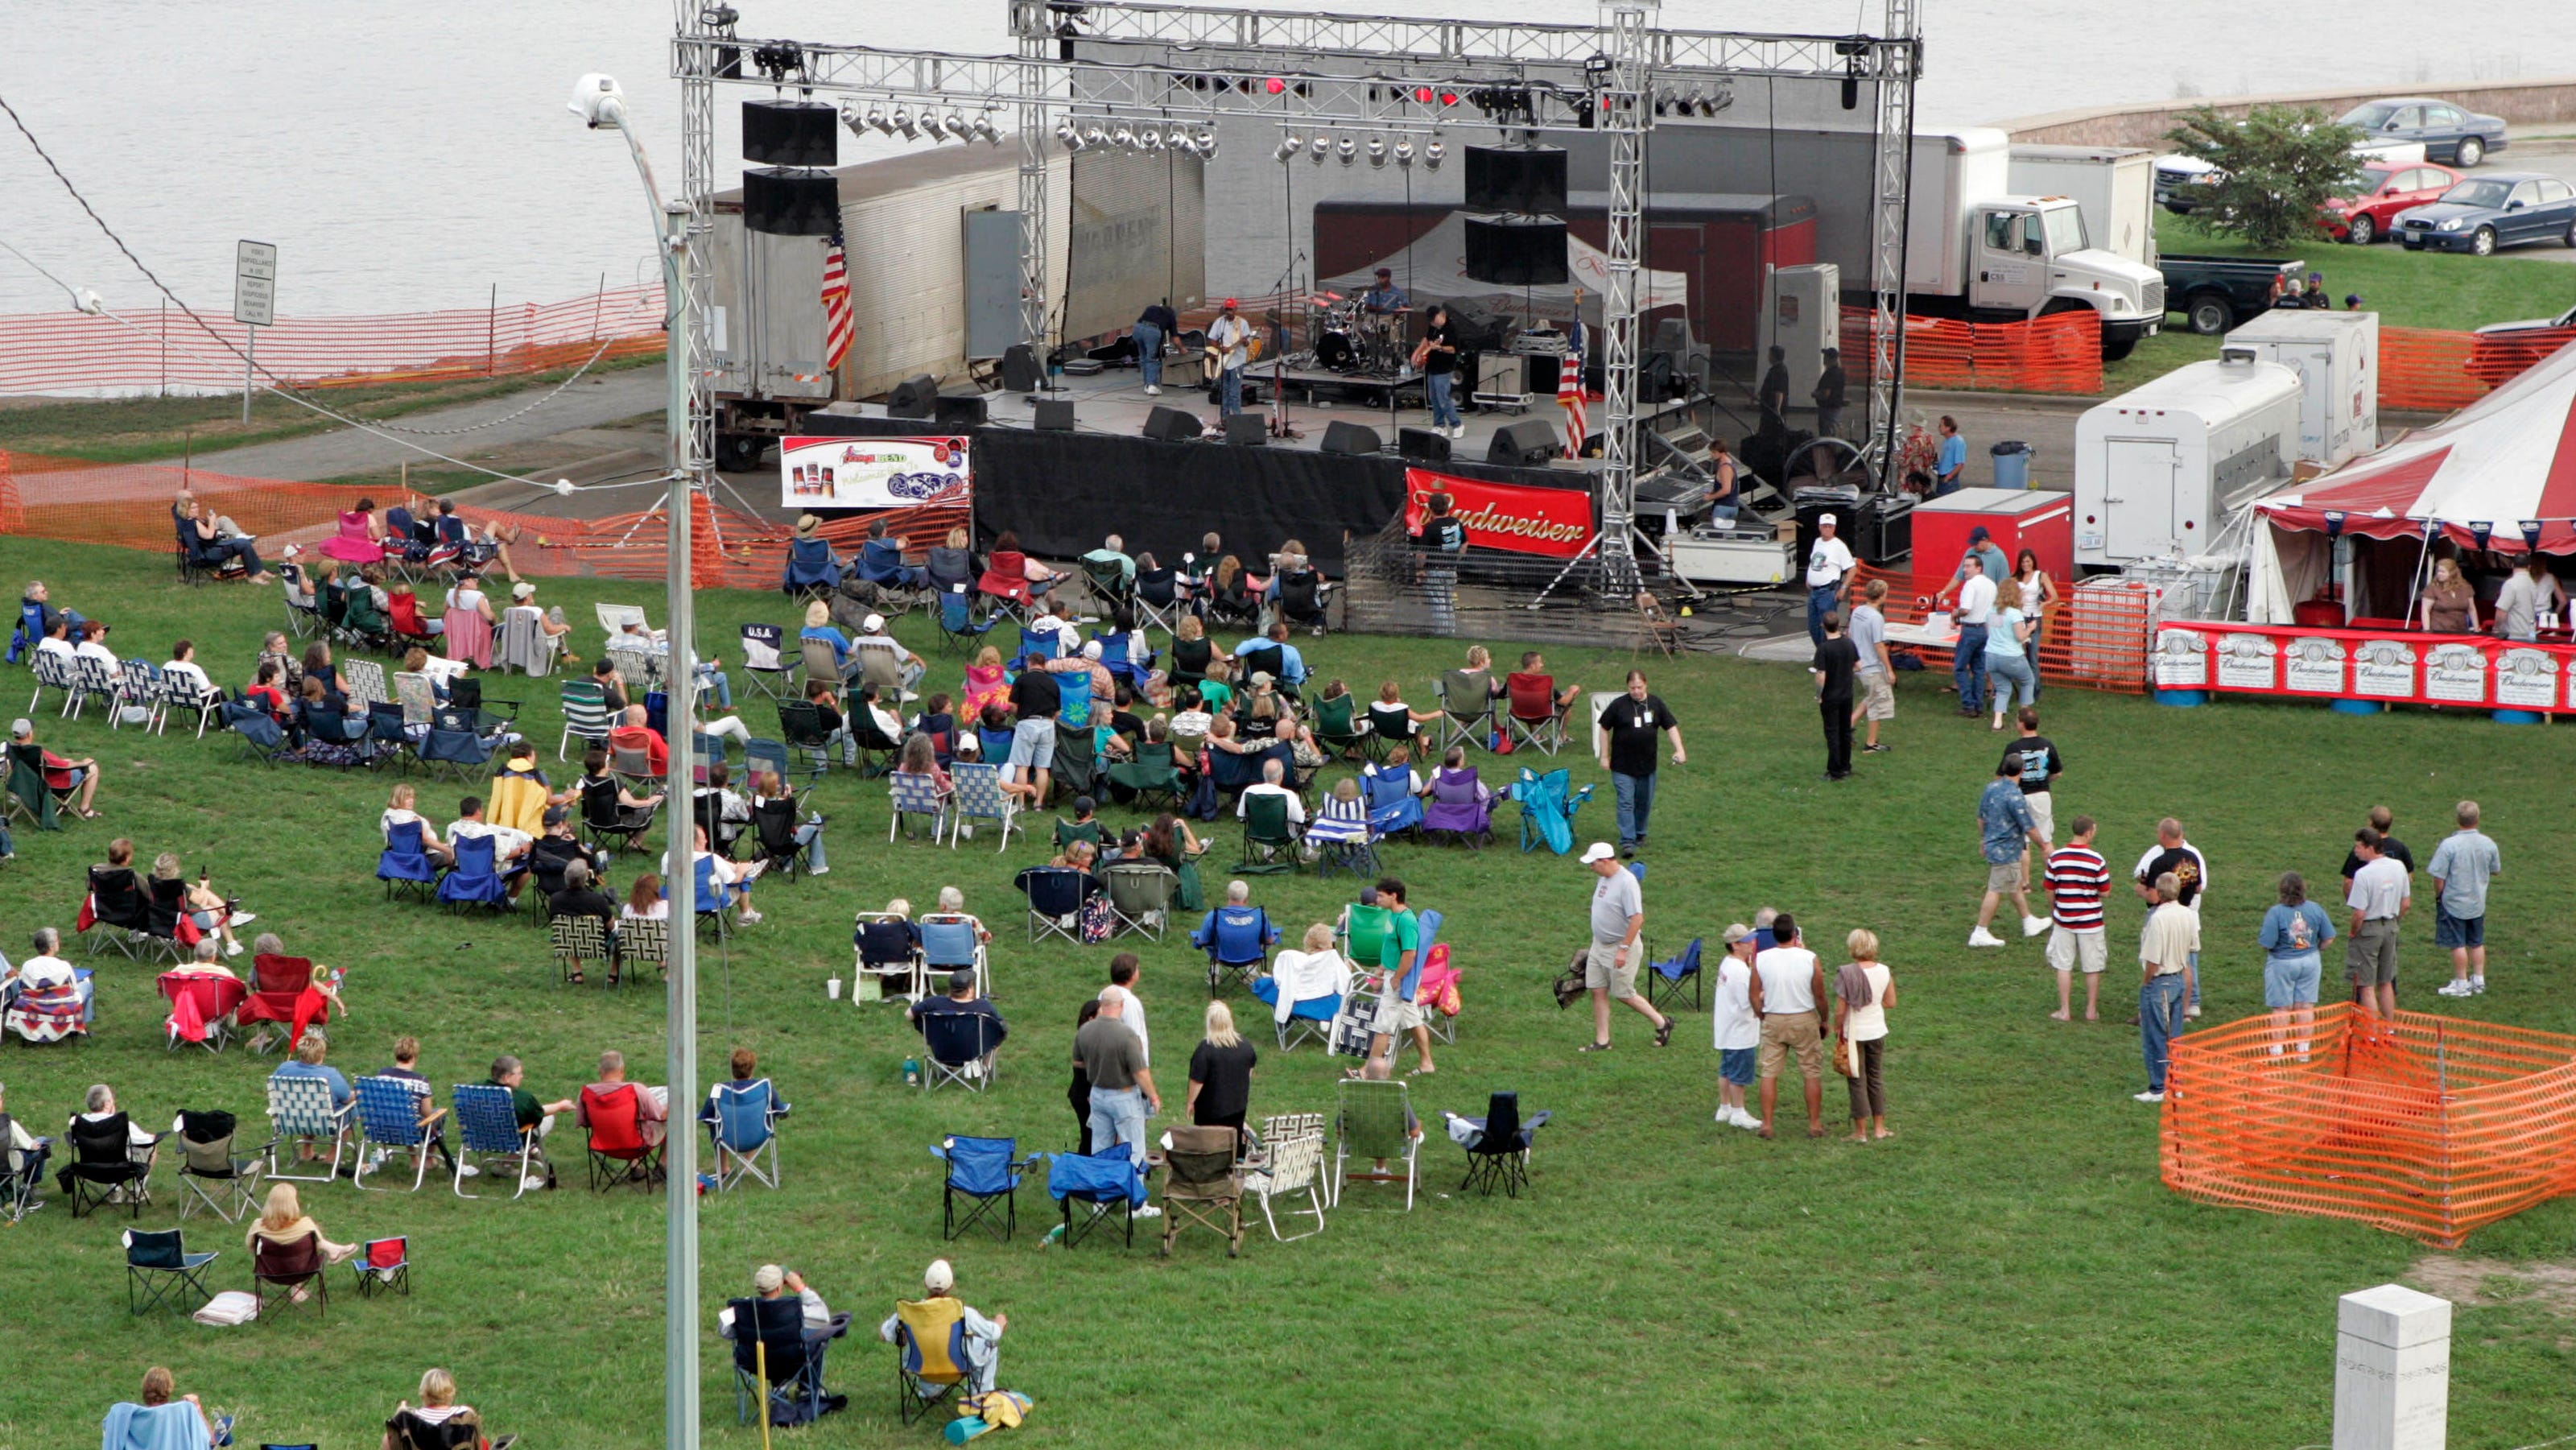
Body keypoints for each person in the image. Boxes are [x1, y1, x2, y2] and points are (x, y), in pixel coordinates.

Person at [1578, 842, 1673, 1052]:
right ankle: (1603, 1040)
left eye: (1593, 863)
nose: (1590, 868)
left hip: (1620, 946)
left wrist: (1623, 949)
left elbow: (1637, 919)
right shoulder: (1603, 878)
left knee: (1624, 994)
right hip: (1599, 945)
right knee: (1597, 989)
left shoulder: (1627, 883)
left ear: (1604, 861)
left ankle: (1662, 1022)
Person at [1748, 911, 1828, 1139]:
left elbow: (1754, 994)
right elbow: (1820, 995)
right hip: (1804, 1018)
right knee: (1811, 1072)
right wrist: (1823, 1019)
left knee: (1769, 1072)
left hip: (1774, 1018)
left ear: (1774, 935)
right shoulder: (1810, 958)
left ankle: (1767, 1124)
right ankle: (1814, 1124)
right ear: (1794, 934)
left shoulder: (1762, 959)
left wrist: (1760, 1014)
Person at [878, 1260, 1006, 1396]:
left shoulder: (909, 1312)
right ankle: (981, 1394)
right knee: (989, 1344)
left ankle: (931, 1391)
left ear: (925, 1284)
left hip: (922, 1370)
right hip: (959, 1368)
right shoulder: (962, 1312)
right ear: (951, 1286)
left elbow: (884, 1335)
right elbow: (993, 1333)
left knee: (928, 1347)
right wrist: (1000, 1320)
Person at [1595, 669, 1683, 858]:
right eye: (1632, 688)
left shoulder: (1656, 704)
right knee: (1626, 802)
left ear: (1646, 684)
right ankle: (1627, 841)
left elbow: (1671, 727)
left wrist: (1680, 749)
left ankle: (1640, 833)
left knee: (1643, 802)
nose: (1636, 691)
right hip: (1622, 766)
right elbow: (1604, 728)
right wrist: (1604, 756)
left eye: (1639, 687)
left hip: (1647, 766)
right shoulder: (1619, 706)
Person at [1075, 989, 1159, 1175]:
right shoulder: (1127, 1035)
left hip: (1097, 1094)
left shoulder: (1085, 1030)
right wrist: (1153, 1097)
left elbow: (1078, 1061)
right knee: (1134, 1149)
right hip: (1124, 1096)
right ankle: (1136, 1202)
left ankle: (1100, 1200)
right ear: (1120, 1006)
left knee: (1100, 1149)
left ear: (1102, 1006)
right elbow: (1140, 1072)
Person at [2132, 818, 2211, 1018]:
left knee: (2155, 963)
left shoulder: (2160, 863)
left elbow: (2153, 896)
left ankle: (2152, 1008)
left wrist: (2141, 891)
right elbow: (2199, 887)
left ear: (2163, 836)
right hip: (2186, 914)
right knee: (2185, 963)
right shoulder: (2191, 859)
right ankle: (2185, 1010)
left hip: (2162, 914)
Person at [1970, 757, 2048, 948]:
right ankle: (1980, 931)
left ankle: (2028, 921)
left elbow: (1981, 817)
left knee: (2014, 884)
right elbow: (2028, 827)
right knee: (1996, 889)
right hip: (2007, 850)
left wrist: (1984, 839)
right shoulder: (2015, 796)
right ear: (2022, 771)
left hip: (1993, 845)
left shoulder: (1991, 788)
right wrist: (2044, 846)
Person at [1359, 878, 1434, 1076]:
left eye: (1381, 896)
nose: (1377, 899)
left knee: (1383, 1024)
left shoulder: (1407, 921)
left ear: (1394, 896)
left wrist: (1396, 978)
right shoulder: (1392, 916)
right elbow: (1393, 947)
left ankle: (1367, 1070)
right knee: (1414, 1021)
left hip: (1401, 977)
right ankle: (1427, 1064)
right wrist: (1382, 967)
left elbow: (1410, 953)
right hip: (1392, 972)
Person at [2428, 800, 2501, 998]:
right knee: (2477, 941)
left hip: (2454, 901)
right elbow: (2495, 870)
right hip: (2477, 901)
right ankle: (2478, 980)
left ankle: (2461, 983)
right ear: (2477, 818)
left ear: (2458, 819)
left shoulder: (2449, 845)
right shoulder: (2488, 843)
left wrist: (2440, 895)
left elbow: (2438, 875)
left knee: (2458, 943)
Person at [2136, 873, 2199, 1104]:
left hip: (2160, 981)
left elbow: (2153, 959)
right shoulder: (2189, 915)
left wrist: (2146, 982)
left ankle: (2158, 1088)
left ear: (2159, 893)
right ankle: (2176, 1084)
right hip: (2179, 978)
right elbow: (2193, 946)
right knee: (2175, 1037)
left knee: (2155, 1037)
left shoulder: (2158, 919)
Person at [2043, 816, 2112, 1022]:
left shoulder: (2056, 858)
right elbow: (2105, 892)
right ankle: (2091, 1010)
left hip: (2064, 919)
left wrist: (2054, 907)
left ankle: (2065, 1010)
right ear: (2089, 832)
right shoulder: (2096, 859)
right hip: (2091, 922)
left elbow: (2049, 888)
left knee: (2063, 965)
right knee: (2092, 966)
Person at [2260, 871, 2334, 1055]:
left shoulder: (2276, 913)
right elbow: (2329, 938)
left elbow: (2266, 943)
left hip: (2282, 963)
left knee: (2281, 1008)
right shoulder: (2315, 909)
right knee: (2306, 1005)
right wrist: (2316, 949)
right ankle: (2303, 1049)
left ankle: (2277, 1049)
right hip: (2310, 961)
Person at [1835, 929, 1896, 1142]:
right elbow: (1891, 1002)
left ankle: (1860, 1132)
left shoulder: (1847, 973)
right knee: (1875, 1078)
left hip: (1854, 1033)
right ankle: (1879, 1128)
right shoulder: (1884, 971)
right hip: (1877, 1030)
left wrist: (1837, 1028)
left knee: (1856, 1080)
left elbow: (1841, 1009)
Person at [2345, 827, 2410, 1018]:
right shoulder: (2399, 867)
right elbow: (2406, 903)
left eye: (2358, 847)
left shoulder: (2363, 874)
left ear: (2370, 848)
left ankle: (2373, 1034)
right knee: (2386, 981)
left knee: (2366, 985)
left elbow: (2359, 913)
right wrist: (2393, 921)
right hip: (2391, 926)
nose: (2355, 851)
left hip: (2369, 929)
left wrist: (2352, 932)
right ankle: (2389, 1029)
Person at [268, 1030, 353, 1164]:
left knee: (306, 1103)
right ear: (321, 1054)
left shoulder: (284, 1068)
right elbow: (346, 1098)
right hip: (323, 1121)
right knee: (351, 1109)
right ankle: (332, 1156)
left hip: (290, 1119)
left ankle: (307, 1152)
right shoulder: (330, 1075)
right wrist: (359, 1094)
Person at [491, 1054, 575, 1192]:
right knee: (546, 1120)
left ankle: (508, 1163)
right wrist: (560, 1106)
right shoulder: (521, 1098)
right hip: (511, 1139)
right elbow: (539, 1114)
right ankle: (510, 1161)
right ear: (506, 1077)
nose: (522, 1076)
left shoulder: (474, 1090)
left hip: (481, 1138)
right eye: (519, 1073)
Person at [380, 1366, 516, 1450]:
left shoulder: (408, 1420)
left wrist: (399, 1417)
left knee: (389, 1439)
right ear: (451, 1393)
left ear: (423, 1392)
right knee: (480, 1440)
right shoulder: (464, 1417)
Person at [1186, 1000, 1258, 1154]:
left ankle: (1212, 1167)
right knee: (1234, 1140)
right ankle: (1232, 1166)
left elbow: (1197, 1081)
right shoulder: (1245, 1046)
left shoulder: (1205, 1050)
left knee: (1209, 1145)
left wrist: (1190, 1102)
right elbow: (1249, 1073)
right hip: (1237, 1107)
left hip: (1209, 1111)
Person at [1710, 923, 1761, 1131]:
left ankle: (1725, 1107)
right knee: (1739, 1074)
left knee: (1726, 1070)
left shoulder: (1727, 963)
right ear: (1735, 945)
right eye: (1747, 941)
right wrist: (1765, 993)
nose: (1752, 944)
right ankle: (1739, 1113)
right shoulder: (1740, 970)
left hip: (1727, 1027)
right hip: (1740, 1030)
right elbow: (1748, 1000)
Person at [104, 1366, 226, 1450]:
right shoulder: (184, 1412)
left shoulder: (122, 1418)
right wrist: (197, 1408)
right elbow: (211, 1442)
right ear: (169, 1388)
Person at [908, 969, 1007, 1072]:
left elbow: (909, 1014)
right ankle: (986, 1066)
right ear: (970, 990)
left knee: (939, 1032)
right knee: (1001, 1031)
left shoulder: (934, 1003)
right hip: (975, 1055)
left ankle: (946, 1067)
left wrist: (928, 1031)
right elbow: (1001, 1027)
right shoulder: (983, 1006)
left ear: (950, 989)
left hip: (942, 1053)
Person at [248, 1181, 357, 1273]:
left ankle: (333, 1250)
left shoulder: (257, 1226)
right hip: (300, 1270)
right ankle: (333, 1250)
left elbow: (250, 1246)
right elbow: (319, 1242)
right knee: (310, 1244)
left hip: (268, 1270)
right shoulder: (305, 1224)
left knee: (296, 1248)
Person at [2002, 708, 2062, 859]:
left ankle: (2024, 882)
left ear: (2022, 724)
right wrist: (2042, 781)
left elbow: (2001, 775)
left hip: (2019, 796)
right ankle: (2054, 877)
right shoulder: (2047, 745)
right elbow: (2057, 772)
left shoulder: (2014, 747)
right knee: (2046, 840)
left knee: (2022, 842)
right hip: (2042, 796)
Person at [580, 1049, 667, 1148]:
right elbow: (661, 1116)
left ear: (600, 1071)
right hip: (637, 1144)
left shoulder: (587, 1093)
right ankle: (663, 1162)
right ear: (622, 1069)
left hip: (602, 1144)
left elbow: (584, 1122)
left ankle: (635, 1163)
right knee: (674, 1116)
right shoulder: (635, 1090)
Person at [11, 718, 99, 817]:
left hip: (29, 785)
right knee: (92, 767)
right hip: (53, 786)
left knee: (68, 760)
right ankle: (85, 809)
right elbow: (64, 766)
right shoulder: (37, 753)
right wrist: (84, 763)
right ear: (28, 734)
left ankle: (65, 804)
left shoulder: (13, 751)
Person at [1946, 552, 1997, 719]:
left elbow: (1966, 609)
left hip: (1970, 629)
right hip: (1985, 629)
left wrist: (1955, 613)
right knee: (1979, 669)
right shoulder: (1991, 585)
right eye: (1964, 566)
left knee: (1960, 667)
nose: (1965, 569)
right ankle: (1978, 705)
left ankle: (1968, 704)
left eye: (1968, 566)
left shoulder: (1970, 585)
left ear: (1978, 568)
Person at [1849, 578, 1895, 754]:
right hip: (1872, 667)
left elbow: (1851, 634)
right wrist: (1889, 669)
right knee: (1877, 703)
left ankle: (1850, 723)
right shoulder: (1876, 618)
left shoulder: (1858, 611)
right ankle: (1871, 744)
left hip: (1859, 664)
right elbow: (1879, 645)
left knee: (1870, 696)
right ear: (1882, 595)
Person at [1811, 608, 1858, 780]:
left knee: (1832, 733)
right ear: (1838, 625)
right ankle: (1846, 766)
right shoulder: (1849, 643)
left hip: (1831, 696)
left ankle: (1834, 771)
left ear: (1823, 626)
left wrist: (1818, 695)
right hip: (1847, 694)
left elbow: (1821, 675)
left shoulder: (1824, 649)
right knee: (1845, 731)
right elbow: (1858, 665)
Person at [1413, 490, 1467, 633]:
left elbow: (1421, 554)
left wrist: (1419, 570)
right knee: (1448, 602)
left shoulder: (1430, 528)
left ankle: (1443, 633)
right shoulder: (1456, 523)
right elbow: (1464, 543)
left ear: (1430, 509)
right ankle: (1451, 631)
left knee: (1438, 604)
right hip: (1450, 571)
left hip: (1434, 571)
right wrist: (1456, 561)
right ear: (1447, 506)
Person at [1984, 592, 2037, 729]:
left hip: (1991, 655)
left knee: (2002, 688)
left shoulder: (1991, 611)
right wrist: (2030, 628)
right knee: (2027, 681)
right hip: (2011, 656)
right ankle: (2024, 717)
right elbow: (2020, 637)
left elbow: (1989, 632)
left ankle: (1997, 722)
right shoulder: (2014, 613)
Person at [1802, 513, 1855, 649]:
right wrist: (1808, 578)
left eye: (1830, 526)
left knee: (1826, 625)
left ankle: (1826, 656)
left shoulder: (1838, 546)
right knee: (1813, 625)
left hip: (1828, 591)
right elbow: (1813, 560)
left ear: (1834, 528)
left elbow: (1852, 568)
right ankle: (1821, 652)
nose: (1827, 529)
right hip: (1814, 590)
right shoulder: (1818, 542)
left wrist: (1843, 588)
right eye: (1824, 526)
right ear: (1819, 527)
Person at [381, 782, 456, 870]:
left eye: (412, 797)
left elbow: (409, 842)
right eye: (406, 798)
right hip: (419, 860)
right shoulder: (413, 820)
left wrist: (441, 845)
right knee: (456, 856)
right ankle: (453, 882)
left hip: (397, 858)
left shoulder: (389, 816)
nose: (411, 801)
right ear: (397, 799)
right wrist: (448, 850)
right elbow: (425, 840)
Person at [2492, 553, 2564, 642]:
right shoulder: (2532, 584)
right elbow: (2563, 601)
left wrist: (2496, 628)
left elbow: (2502, 611)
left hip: (2514, 634)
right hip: (2530, 632)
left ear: (2512, 565)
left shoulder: (2510, 584)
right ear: (2529, 567)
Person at [2339, 804, 2415, 887]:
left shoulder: (2362, 848)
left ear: (2370, 823)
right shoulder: (2400, 848)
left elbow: (2348, 882)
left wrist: (2353, 899)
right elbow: (2409, 877)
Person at [1208, 298, 1258, 419]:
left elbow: (1248, 343)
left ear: (1235, 309)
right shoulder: (1219, 322)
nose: (1228, 311)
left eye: (1231, 309)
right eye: (1227, 309)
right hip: (1224, 361)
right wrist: (1221, 349)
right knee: (1224, 391)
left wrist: (1245, 341)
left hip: (1237, 361)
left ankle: (1237, 418)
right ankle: (1225, 418)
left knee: (1234, 393)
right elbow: (1212, 339)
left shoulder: (1242, 323)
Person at [1417, 303, 1462, 438]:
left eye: (1434, 319)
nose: (1432, 323)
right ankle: (1439, 425)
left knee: (1443, 397)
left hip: (1444, 367)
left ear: (1441, 315)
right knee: (1434, 398)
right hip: (1432, 366)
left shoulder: (1451, 328)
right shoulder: (1432, 327)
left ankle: (1457, 424)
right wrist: (1422, 352)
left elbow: (1454, 349)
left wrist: (1440, 348)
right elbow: (1428, 341)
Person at [1066, 998, 1104, 1155]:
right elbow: (1082, 1066)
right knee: (1089, 1134)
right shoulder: (1087, 1036)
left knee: (1089, 1133)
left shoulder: (1085, 1035)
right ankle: (1084, 1164)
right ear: (1091, 1017)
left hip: (1082, 1093)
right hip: (1084, 1093)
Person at [2013, 548, 2058, 663]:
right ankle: (2019, 680)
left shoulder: (2041, 576)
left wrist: (2045, 603)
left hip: (2035, 617)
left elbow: (2055, 596)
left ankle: (2034, 681)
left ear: (2033, 561)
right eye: (2023, 562)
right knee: (2017, 653)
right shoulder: (2015, 577)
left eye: (2028, 561)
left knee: (2032, 655)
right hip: (2019, 617)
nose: (2025, 565)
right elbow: (2009, 596)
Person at [1236, 756, 1305, 826]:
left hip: (1256, 833)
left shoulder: (1249, 791)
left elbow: (1241, 815)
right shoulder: (1289, 795)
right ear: (1281, 775)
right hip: (1282, 834)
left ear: (1263, 774)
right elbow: (1300, 820)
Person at [606, 704, 670, 778]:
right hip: (649, 773)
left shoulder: (615, 733)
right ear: (640, 719)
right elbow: (667, 758)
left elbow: (613, 754)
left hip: (625, 771)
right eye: (646, 714)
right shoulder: (651, 735)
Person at [2420, 556, 2478, 634]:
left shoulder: (2466, 588)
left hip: (2461, 631)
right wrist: (2427, 631)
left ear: (2452, 573)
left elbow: (2472, 609)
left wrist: (2476, 628)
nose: (2439, 574)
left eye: (2443, 572)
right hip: (2439, 631)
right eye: (2438, 571)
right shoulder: (2432, 588)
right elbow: (2425, 610)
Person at [1133, 297, 1177, 396]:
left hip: (1138, 328)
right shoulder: (1171, 316)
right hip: (1152, 332)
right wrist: (1182, 349)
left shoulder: (1151, 308)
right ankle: (1152, 385)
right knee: (1153, 359)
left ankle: (1147, 385)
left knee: (1143, 357)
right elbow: (1175, 339)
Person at [1812, 346, 1847, 439]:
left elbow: (1826, 394)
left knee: (1827, 436)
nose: (1824, 359)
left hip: (1827, 410)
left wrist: (1815, 394)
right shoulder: (1840, 372)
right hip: (1835, 409)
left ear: (1830, 359)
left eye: (1826, 357)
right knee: (1834, 433)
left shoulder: (1830, 374)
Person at [1757, 345, 1790, 432]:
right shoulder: (1776, 369)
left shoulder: (1778, 371)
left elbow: (1779, 391)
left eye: (1770, 354)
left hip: (1771, 409)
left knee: (1770, 431)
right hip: (1768, 408)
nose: (1768, 356)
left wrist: (1777, 408)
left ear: (1774, 356)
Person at [1933, 415, 1967, 494]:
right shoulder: (1947, 441)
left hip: (1949, 482)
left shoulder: (1958, 442)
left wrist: (1948, 477)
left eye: (1941, 425)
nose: (1939, 428)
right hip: (1942, 478)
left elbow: (1960, 464)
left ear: (1948, 428)